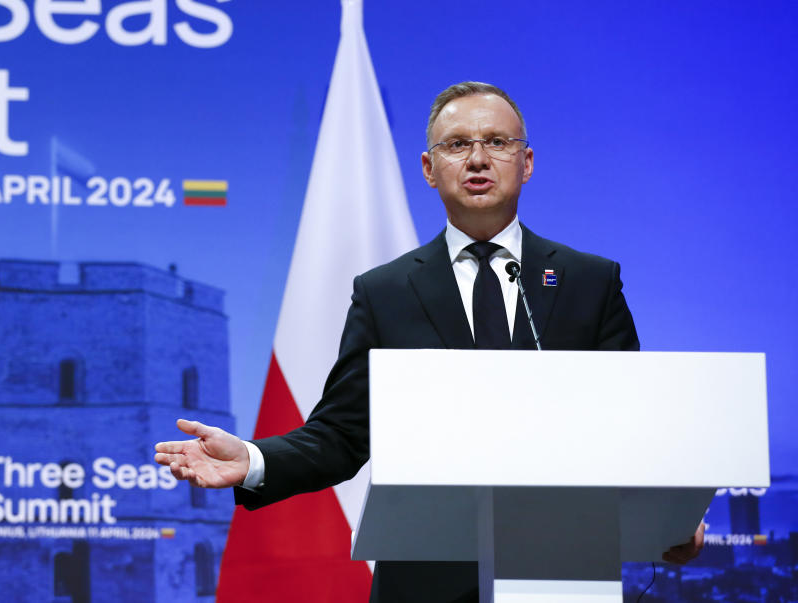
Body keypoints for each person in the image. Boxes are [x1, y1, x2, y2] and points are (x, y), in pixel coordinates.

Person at [154, 82, 704, 601]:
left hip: (561, 571)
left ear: (527, 163)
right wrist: (251, 459)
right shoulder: (386, 291)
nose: (479, 159)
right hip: (425, 580)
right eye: (458, 144)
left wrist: (669, 517)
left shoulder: (590, 281)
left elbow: (630, 424)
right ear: (429, 168)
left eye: (498, 142)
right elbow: (343, 434)